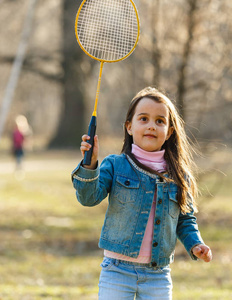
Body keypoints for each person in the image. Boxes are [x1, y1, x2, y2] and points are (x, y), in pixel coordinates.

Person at [71, 87, 212, 299]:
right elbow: (88, 198)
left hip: (157, 274)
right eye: (143, 119)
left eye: (160, 121)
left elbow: (185, 219)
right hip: (117, 271)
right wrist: (89, 165)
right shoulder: (116, 165)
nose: (151, 126)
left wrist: (195, 244)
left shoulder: (178, 176)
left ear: (169, 131)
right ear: (129, 126)